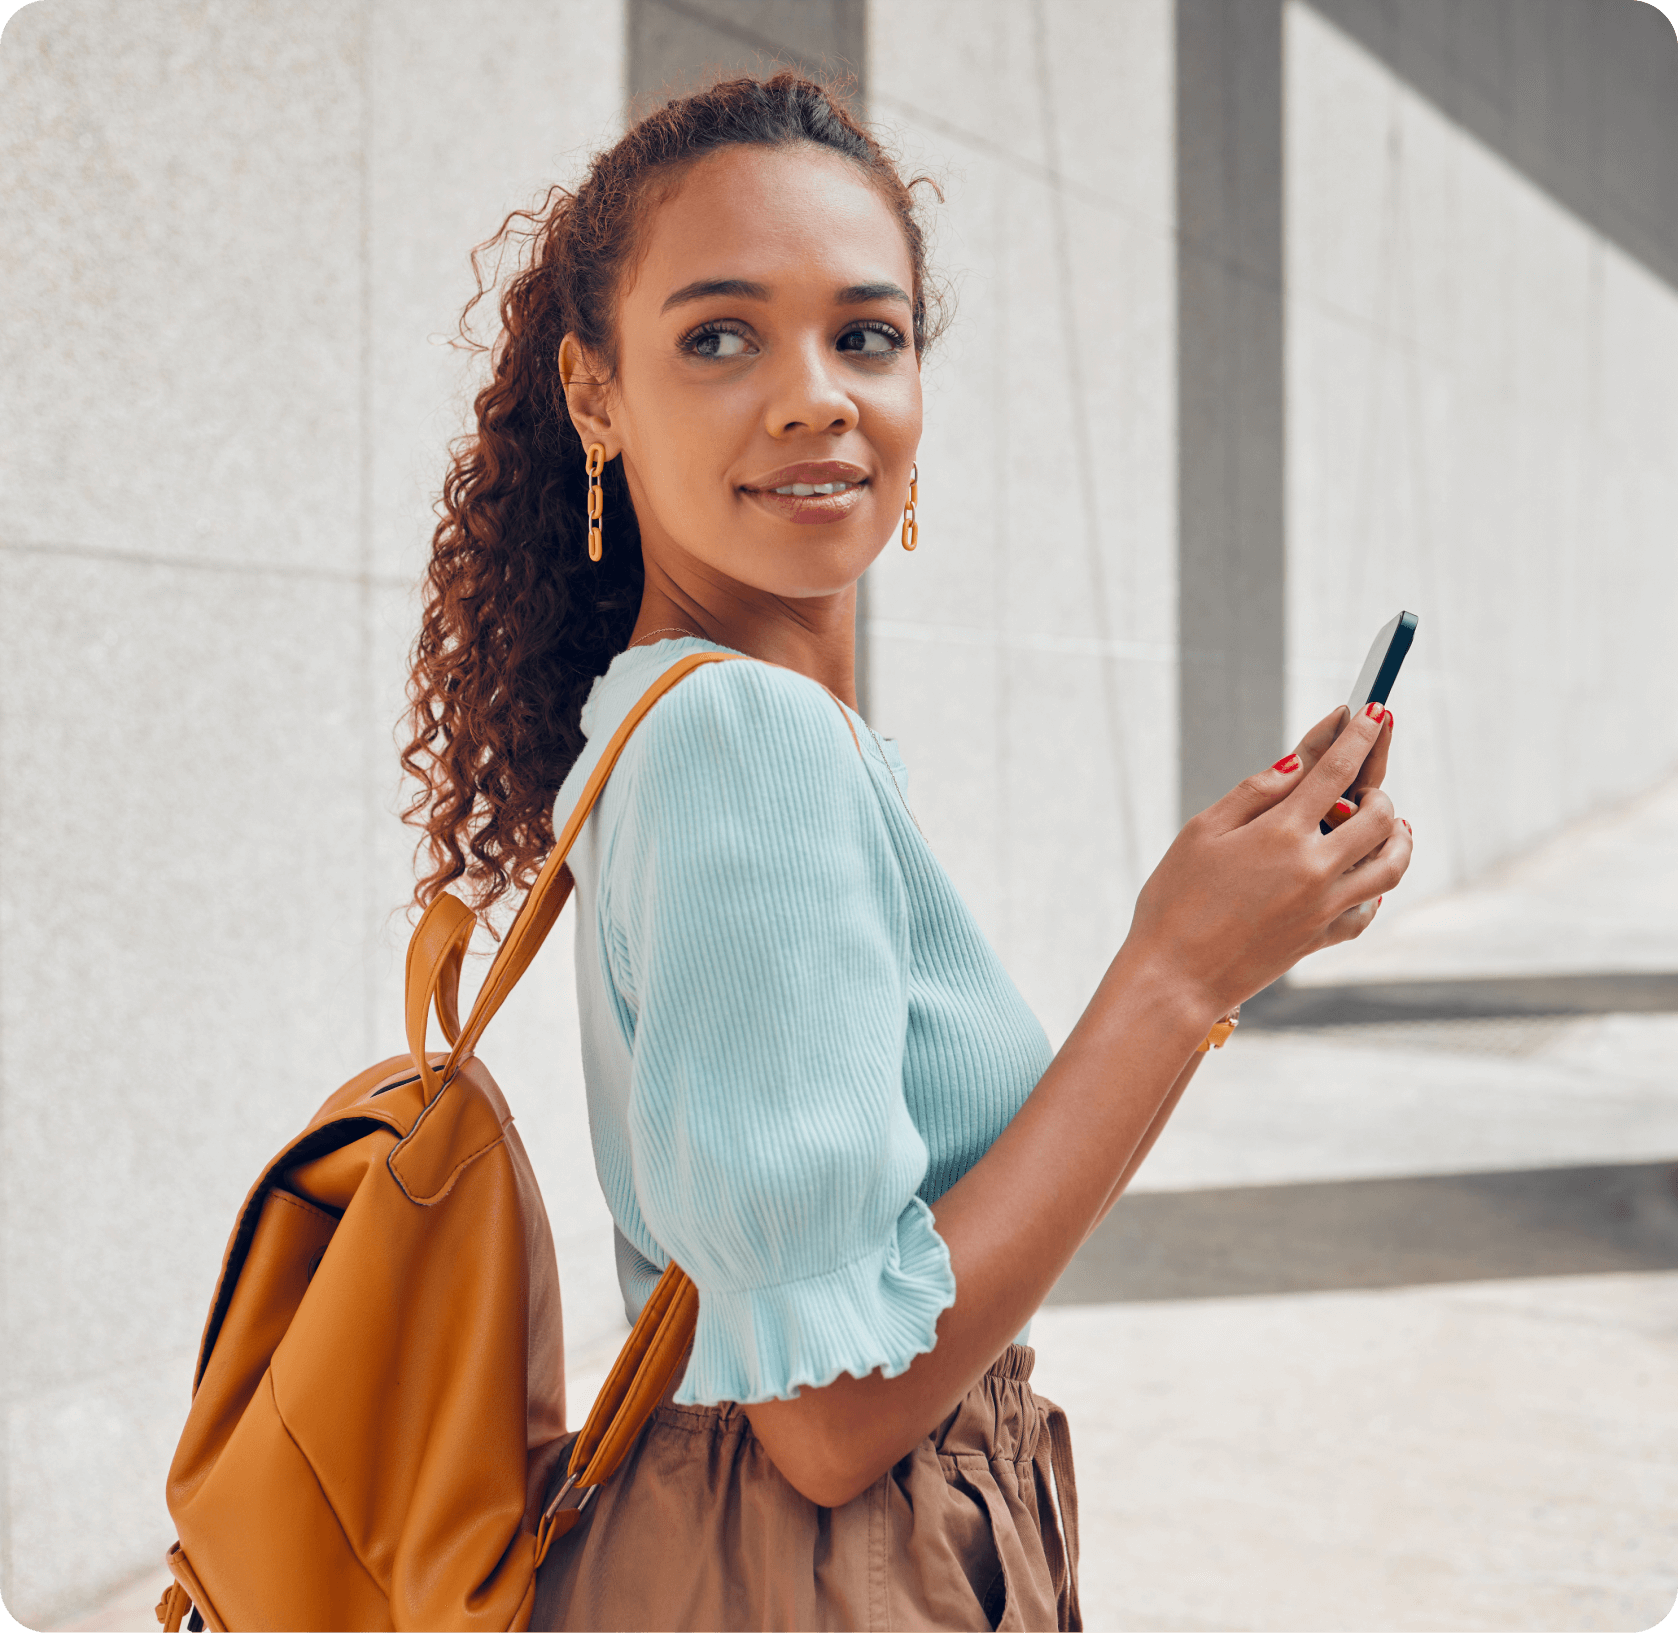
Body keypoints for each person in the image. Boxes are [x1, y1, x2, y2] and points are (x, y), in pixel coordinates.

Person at [401, 72, 1409, 1633]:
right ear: (594, 393)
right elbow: (830, 1418)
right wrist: (1178, 972)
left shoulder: (684, 718)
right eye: (720, 336)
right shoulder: (748, 741)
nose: (814, 395)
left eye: (865, 334)